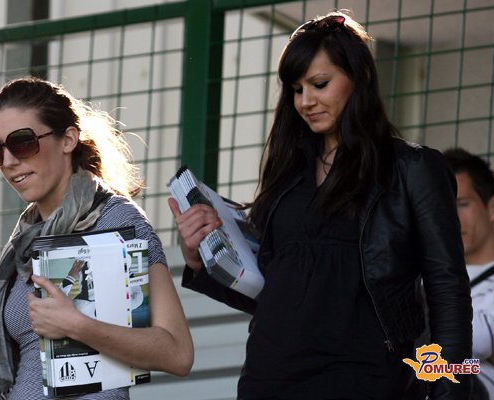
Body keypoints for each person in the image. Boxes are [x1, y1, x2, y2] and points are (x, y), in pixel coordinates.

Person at [168, 10, 472, 399]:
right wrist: (200, 259)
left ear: (360, 76)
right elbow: (272, 294)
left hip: (366, 382)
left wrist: (449, 392)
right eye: (296, 89)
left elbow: (448, 292)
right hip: (268, 381)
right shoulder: (287, 177)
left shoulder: (413, 170)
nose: (305, 101)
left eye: (320, 84)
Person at [0, 76, 194, 400]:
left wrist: (76, 325)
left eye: (22, 142)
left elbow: (178, 353)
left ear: (68, 140)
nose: (8, 162)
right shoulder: (23, 242)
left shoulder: (117, 221)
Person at [444, 148, 494, 399]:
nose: (451, 218)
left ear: (492, 208)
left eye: (462, 204)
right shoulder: (418, 279)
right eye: (441, 207)